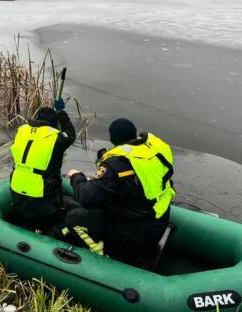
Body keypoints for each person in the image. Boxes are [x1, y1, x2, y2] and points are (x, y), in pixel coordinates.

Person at [65, 118, 176, 264]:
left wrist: (76, 177)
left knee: (73, 218)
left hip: (135, 237)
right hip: (158, 223)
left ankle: (104, 256)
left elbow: (86, 198)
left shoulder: (117, 164)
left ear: (112, 138)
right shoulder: (149, 152)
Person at [9, 99, 77, 232]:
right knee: (51, 217)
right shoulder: (55, 137)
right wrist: (62, 113)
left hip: (16, 188)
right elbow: (70, 134)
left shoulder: (21, 131)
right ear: (53, 125)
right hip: (40, 195)